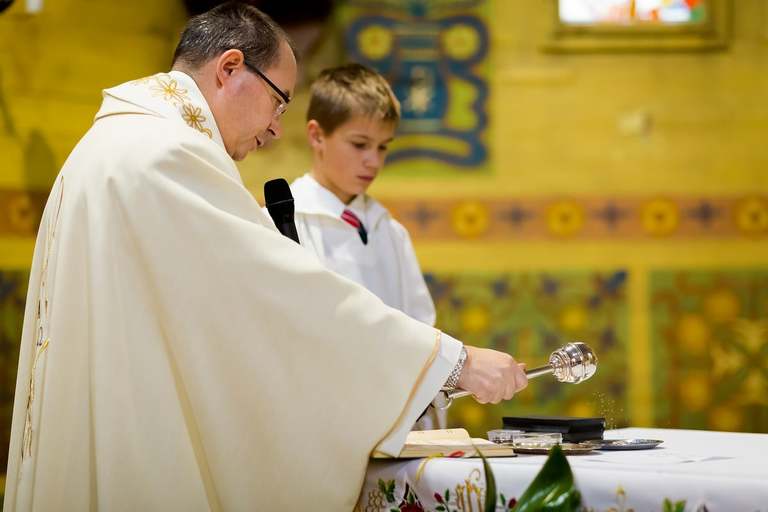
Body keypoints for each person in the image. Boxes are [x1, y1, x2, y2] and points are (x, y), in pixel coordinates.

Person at [4, 3, 528, 510]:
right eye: (279, 100)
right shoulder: (165, 155)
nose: (278, 127)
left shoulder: (117, 141)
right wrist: (451, 361)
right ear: (230, 68)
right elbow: (286, 295)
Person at [290, 63, 439, 428]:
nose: (373, 161)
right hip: (321, 419)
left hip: (395, 420)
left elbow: (421, 329)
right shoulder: (285, 223)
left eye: (383, 147)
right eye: (359, 144)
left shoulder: (390, 232)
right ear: (317, 135)